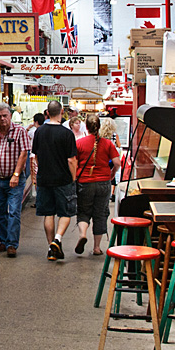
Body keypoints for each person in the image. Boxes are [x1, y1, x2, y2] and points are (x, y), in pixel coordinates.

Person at [32, 100, 78, 261]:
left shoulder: (39, 132)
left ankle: (51, 248)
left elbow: (36, 156)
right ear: (62, 111)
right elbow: (71, 160)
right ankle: (57, 239)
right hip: (63, 179)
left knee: (48, 213)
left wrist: (42, 168)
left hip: (44, 178)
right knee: (65, 212)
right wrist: (74, 178)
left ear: (47, 113)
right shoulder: (67, 134)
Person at [0, 103, 29, 258]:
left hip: (14, 180)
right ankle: (3, 241)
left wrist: (16, 174)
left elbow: (24, 153)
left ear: (10, 115)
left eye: (5, 115)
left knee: (14, 212)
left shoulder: (20, 131)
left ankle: (12, 245)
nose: (2, 119)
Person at [75, 114, 120, 256]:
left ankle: (83, 234)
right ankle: (96, 248)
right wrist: (112, 173)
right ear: (99, 127)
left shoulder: (80, 143)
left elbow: (73, 162)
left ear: (86, 127)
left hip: (85, 182)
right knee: (100, 214)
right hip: (103, 183)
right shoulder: (108, 144)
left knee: (83, 211)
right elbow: (118, 162)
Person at [24, 113, 45, 205]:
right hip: (44, 156)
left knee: (35, 179)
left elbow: (24, 137)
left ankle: (39, 200)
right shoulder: (45, 130)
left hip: (34, 156)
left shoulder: (33, 132)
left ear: (35, 121)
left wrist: (28, 127)